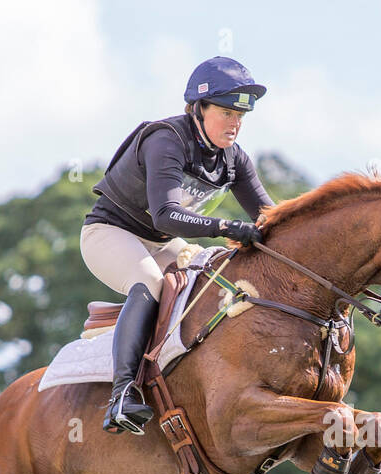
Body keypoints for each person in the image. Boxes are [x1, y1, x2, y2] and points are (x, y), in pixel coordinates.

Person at [82, 55, 276, 436]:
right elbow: (166, 215)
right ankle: (122, 395)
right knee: (151, 284)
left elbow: (270, 216)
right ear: (197, 109)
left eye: (240, 116)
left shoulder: (233, 159)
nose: (235, 124)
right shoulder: (166, 139)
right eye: (225, 113)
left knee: (214, 283)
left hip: (160, 243)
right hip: (109, 233)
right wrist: (225, 225)